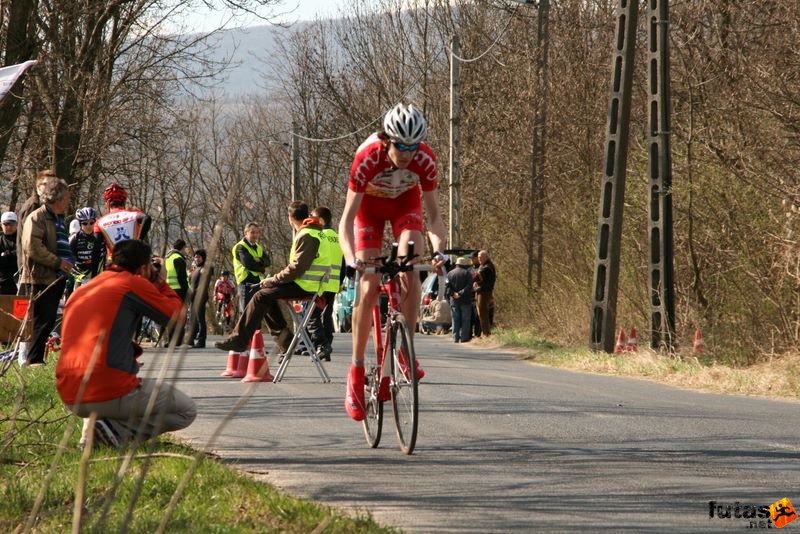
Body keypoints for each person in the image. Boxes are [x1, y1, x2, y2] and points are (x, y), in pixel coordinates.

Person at [338, 103, 447, 421]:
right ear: (387, 140)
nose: (408, 153)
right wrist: (350, 260)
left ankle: (405, 348)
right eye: (401, 146)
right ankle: (356, 371)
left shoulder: (425, 160)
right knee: (370, 284)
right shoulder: (367, 157)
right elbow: (346, 221)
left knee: (410, 264)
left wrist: (439, 250)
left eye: (413, 146)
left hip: (404, 205)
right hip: (368, 210)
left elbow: (436, 216)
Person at [55, 239, 195, 449]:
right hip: (107, 390)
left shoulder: (84, 289)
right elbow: (177, 316)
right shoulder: (131, 283)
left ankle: (92, 437)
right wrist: (161, 283)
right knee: (186, 410)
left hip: (69, 392)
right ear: (143, 268)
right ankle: (116, 432)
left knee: (96, 365)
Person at [215, 201, 328, 356]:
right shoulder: (315, 232)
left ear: (290, 218)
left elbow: (297, 268)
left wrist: (274, 279)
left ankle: (239, 340)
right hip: (310, 284)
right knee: (267, 295)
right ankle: (286, 342)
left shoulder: (307, 234)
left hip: (306, 285)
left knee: (261, 295)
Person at [18, 177, 75, 366]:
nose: (68, 200)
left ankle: (35, 359)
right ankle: (33, 360)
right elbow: (32, 247)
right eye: (66, 197)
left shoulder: (58, 219)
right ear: (56, 198)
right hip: (40, 278)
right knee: (40, 320)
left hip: (55, 278)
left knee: (49, 320)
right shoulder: (37, 217)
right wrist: (57, 262)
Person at [306, 206, 343, 362]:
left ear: (320, 220)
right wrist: (340, 282)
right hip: (334, 283)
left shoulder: (320, 235)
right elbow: (344, 263)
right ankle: (326, 347)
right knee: (326, 317)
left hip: (320, 283)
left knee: (311, 316)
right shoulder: (338, 237)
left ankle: (322, 345)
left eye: (313, 217)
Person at [95, 183, 152, 262]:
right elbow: (147, 218)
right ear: (124, 201)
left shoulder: (99, 222)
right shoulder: (133, 214)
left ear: (107, 203)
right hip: (135, 261)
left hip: (115, 264)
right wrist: (139, 242)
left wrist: (94, 273)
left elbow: (96, 251)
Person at [232, 222, 270, 315]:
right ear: (246, 233)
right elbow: (248, 264)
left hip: (258, 283)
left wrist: (258, 260)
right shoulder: (240, 247)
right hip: (245, 283)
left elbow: (268, 261)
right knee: (246, 312)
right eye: (252, 232)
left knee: (258, 311)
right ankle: (242, 330)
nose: (255, 235)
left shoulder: (258, 247)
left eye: (257, 233)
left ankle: (257, 330)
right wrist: (261, 268)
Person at [69, 207, 105, 288]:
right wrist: (82, 278)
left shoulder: (101, 237)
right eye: (85, 223)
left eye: (91, 222)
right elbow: (69, 263)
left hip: (99, 278)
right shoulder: (75, 239)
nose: (88, 226)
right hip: (81, 279)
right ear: (80, 224)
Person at [164, 238, 189, 345]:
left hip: (168, 290)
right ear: (182, 248)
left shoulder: (168, 258)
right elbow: (182, 278)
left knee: (171, 315)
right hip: (179, 290)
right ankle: (178, 340)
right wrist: (187, 292)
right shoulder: (179, 259)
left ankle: (170, 339)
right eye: (185, 248)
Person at [186, 248, 212, 348]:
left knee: (200, 319)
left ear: (203, 258)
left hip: (200, 296)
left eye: (199, 257)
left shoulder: (205, 268)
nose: (197, 259)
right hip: (193, 296)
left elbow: (204, 284)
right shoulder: (195, 268)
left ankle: (201, 341)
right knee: (193, 318)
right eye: (195, 257)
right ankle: (191, 339)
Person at [447, 256, 474, 343]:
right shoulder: (467, 273)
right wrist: (460, 293)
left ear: (456, 264)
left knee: (455, 319)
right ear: (464, 265)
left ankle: (455, 337)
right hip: (465, 300)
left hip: (454, 300)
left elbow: (447, 287)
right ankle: (464, 337)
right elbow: (469, 286)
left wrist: (453, 293)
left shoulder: (450, 274)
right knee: (465, 319)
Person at [475, 250, 496, 336]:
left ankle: (486, 334)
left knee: (483, 313)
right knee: (482, 313)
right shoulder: (484, 266)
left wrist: (475, 280)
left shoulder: (486, 267)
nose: (479, 259)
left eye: (481, 257)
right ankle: (485, 332)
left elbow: (477, 278)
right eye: (478, 257)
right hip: (483, 292)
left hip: (484, 293)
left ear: (486, 257)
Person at [0, 211, 19, 295]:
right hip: (2, 283)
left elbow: (22, 254)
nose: (9, 227)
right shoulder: (0, 240)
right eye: (6, 224)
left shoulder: (21, 239)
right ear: (1, 225)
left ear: (17, 224)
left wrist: (6, 254)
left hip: (18, 284)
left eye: (11, 224)